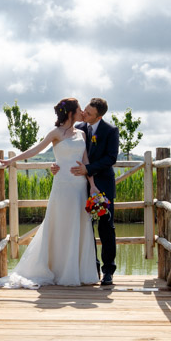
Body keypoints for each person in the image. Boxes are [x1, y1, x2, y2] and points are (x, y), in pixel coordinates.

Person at [0, 98, 100, 288]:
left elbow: (85, 162)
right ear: (71, 112)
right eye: (79, 109)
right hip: (62, 186)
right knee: (59, 224)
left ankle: (76, 272)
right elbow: (35, 150)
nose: (81, 112)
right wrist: (12, 160)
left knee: (79, 224)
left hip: (79, 186)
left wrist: (92, 185)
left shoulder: (82, 134)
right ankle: (56, 269)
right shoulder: (55, 133)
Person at [52, 98, 120, 285]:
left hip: (103, 186)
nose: (84, 114)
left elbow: (111, 158)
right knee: (85, 228)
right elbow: (66, 150)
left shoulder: (110, 131)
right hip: (80, 186)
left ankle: (108, 271)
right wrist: (57, 164)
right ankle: (91, 269)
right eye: (85, 111)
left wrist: (88, 170)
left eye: (89, 113)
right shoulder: (79, 128)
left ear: (99, 116)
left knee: (106, 227)